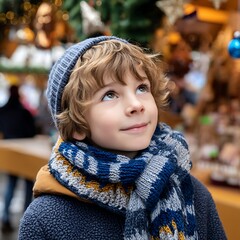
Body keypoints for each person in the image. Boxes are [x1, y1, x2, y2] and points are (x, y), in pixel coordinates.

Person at [18, 36, 226, 240]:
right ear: (76, 124)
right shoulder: (46, 218)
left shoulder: (193, 194)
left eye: (142, 88)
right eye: (109, 94)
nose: (136, 104)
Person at [0, 85, 36, 233]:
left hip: (11, 152)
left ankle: (6, 218)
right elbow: (32, 131)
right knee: (28, 187)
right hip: (26, 152)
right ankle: (25, 221)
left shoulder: (2, 111)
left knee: (11, 185)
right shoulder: (25, 113)